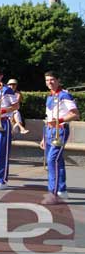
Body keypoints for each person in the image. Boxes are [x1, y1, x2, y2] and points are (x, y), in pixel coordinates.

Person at [40, 71, 79, 205]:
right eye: (47, 80)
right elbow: (48, 118)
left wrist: (59, 120)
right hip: (50, 131)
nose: (49, 82)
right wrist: (43, 138)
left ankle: (53, 193)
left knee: (52, 160)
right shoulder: (50, 96)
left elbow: (75, 114)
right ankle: (62, 190)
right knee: (58, 161)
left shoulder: (64, 95)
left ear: (58, 80)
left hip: (60, 130)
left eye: (52, 80)